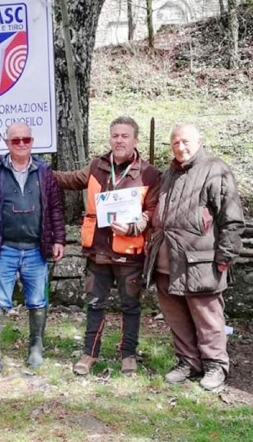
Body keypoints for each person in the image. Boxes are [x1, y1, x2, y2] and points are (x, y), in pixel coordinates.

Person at [54, 116, 161, 376]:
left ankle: (128, 356)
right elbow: (70, 180)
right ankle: (89, 353)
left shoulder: (149, 174)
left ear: (136, 140)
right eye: (115, 135)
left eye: (125, 136)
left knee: (130, 307)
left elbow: (153, 212)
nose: (119, 140)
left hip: (129, 254)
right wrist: (38, 170)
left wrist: (134, 227)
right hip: (98, 252)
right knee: (95, 304)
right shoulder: (97, 167)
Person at [145, 124, 244, 392]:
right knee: (176, 317)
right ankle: (188, 361)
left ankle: (215, 365)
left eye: (185, 141)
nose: (180, 147)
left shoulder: (215, 169)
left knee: (208, 317)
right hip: (166, 262)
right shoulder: (168, 174)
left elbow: (232, 218)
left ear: (199, 141)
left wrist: (225, 256)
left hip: (201, 262)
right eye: (175, 143)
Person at [0, 123, 66, 373]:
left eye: (26, 139)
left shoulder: (44, 172)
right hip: (4, 248)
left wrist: (59, 239)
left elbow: (55, 208)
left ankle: (36, 347)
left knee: (37, 300)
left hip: (35, 247)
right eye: (15, 140)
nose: (21, 144)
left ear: (32, 142)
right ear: (6, 143)